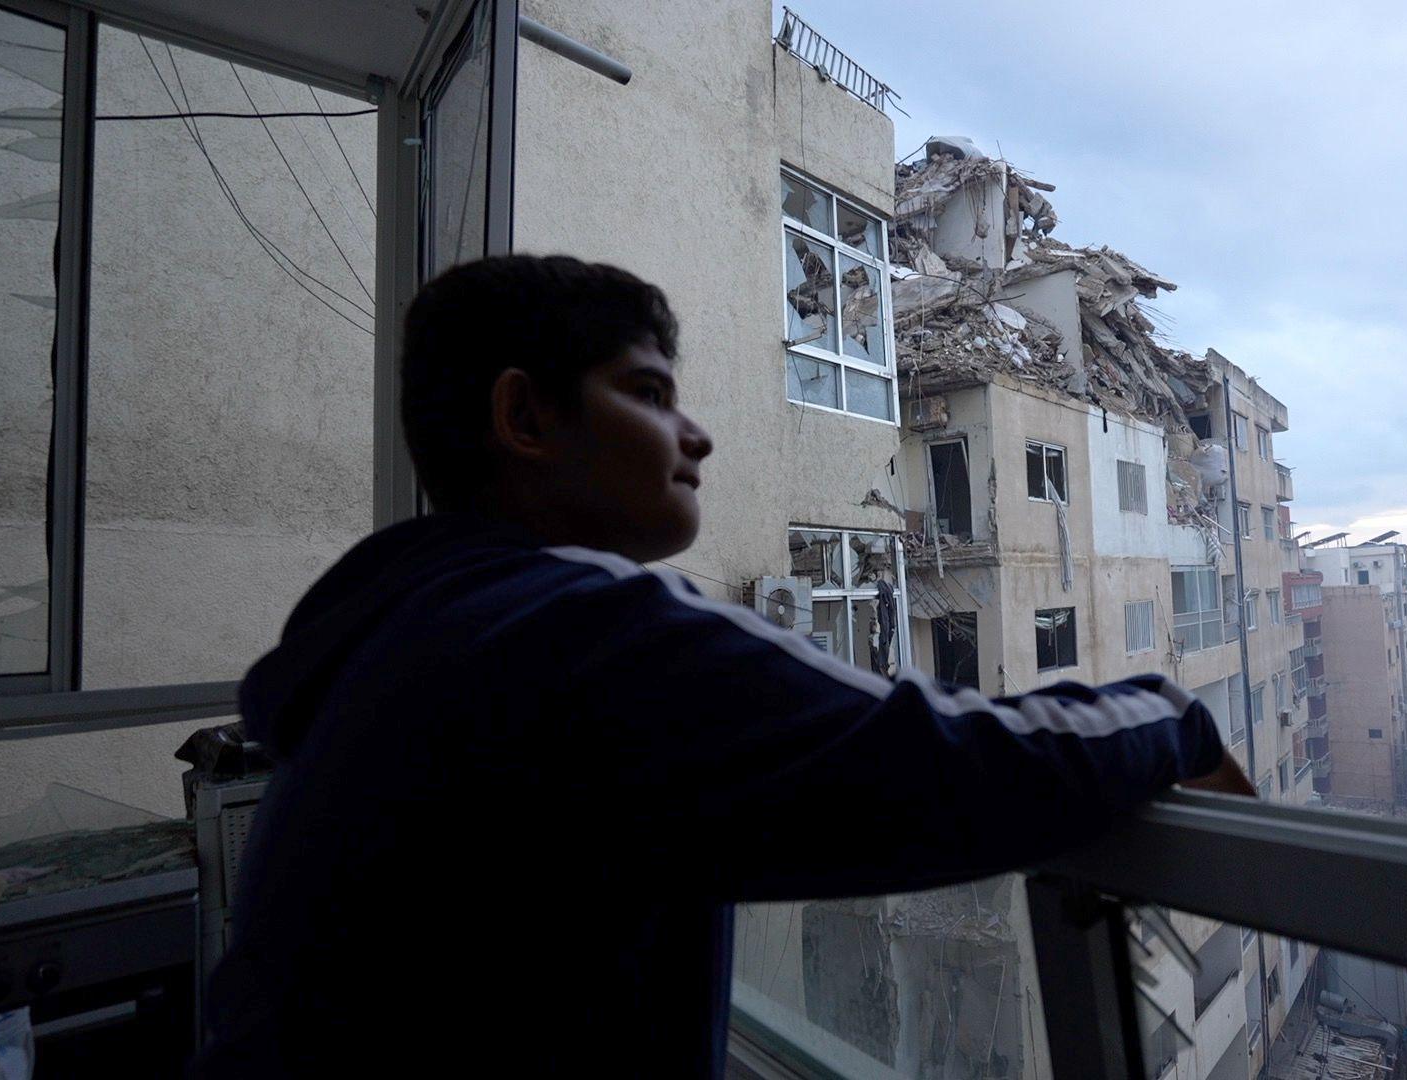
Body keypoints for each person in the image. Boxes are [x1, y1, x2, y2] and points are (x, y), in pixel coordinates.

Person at [192, 255, 1253, 1078]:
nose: (694, 436)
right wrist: (1169, 717)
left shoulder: (395, 642)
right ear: (524, 417)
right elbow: (943, 765)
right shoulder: (578, 634)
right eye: (650, 393)